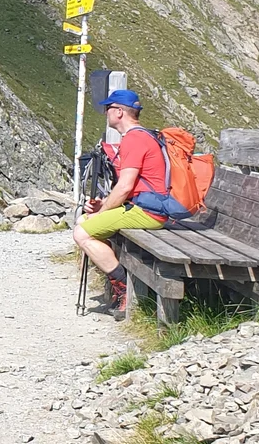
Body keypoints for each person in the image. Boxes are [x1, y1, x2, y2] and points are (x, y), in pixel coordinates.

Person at [71, 89, 184, 319]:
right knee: (85, 220)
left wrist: (102, 211)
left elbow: (124, 187)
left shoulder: (133, 139)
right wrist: (104, 205)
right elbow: (130, 187)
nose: (106, 113)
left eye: (108, 109)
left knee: (82, 233)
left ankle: (123, 288)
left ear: (120, 112)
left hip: (148, 213)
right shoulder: (143, 136)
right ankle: (119, 285)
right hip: (145, 206)